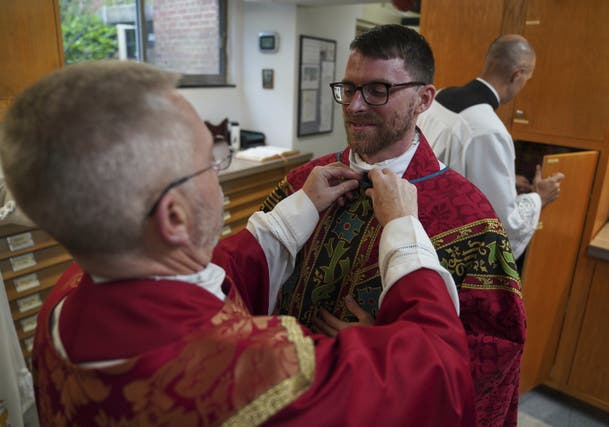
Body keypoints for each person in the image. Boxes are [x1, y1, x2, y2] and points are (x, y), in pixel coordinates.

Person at [0, 60, 477, 426]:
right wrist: (402, 231)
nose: (218, 176)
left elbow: (207, 275)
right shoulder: (265, 371)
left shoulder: (63, 299)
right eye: (212, 161)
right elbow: (438, 367)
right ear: (173, 215)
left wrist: (300, 209)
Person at [261, 25, 525, 426]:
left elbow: (493, 354)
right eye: (348, 89)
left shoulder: (472, 220)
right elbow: (249, 276)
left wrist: (389, 347)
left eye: (377, 91)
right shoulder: (303, 182)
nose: (354, 106)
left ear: (423, 99)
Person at [418, 34, 565, 259]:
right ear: (518, 74)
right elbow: (503, 224)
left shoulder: (440, 96)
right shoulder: (489, 130)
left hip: (418, 226)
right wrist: (539, 198)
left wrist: (505, 180)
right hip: (445, 249)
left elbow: (447, 170)